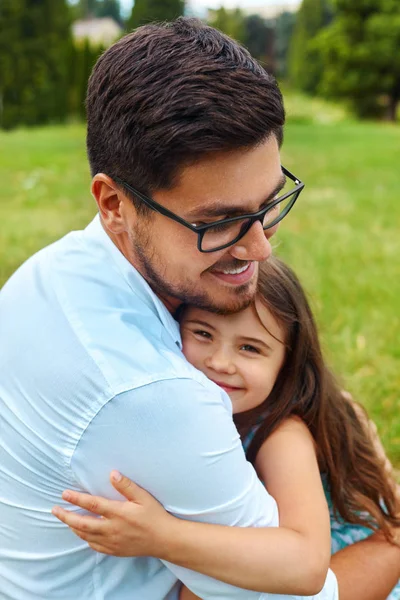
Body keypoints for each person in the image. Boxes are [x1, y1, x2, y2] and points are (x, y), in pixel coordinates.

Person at [0, 16, 398, 600]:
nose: (260, 247)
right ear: (114, 202)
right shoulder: (148, 390)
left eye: (267, 205)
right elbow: (304, 588)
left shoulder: (52, 272)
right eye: (218, 223)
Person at [53, 257, 400, 600]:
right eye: (203, 333)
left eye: (250, 348)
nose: (219, 362)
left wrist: (160, 536)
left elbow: (310, 562)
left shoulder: (282, 436)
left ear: (286, 364)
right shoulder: (180, 414)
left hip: (345, 572)